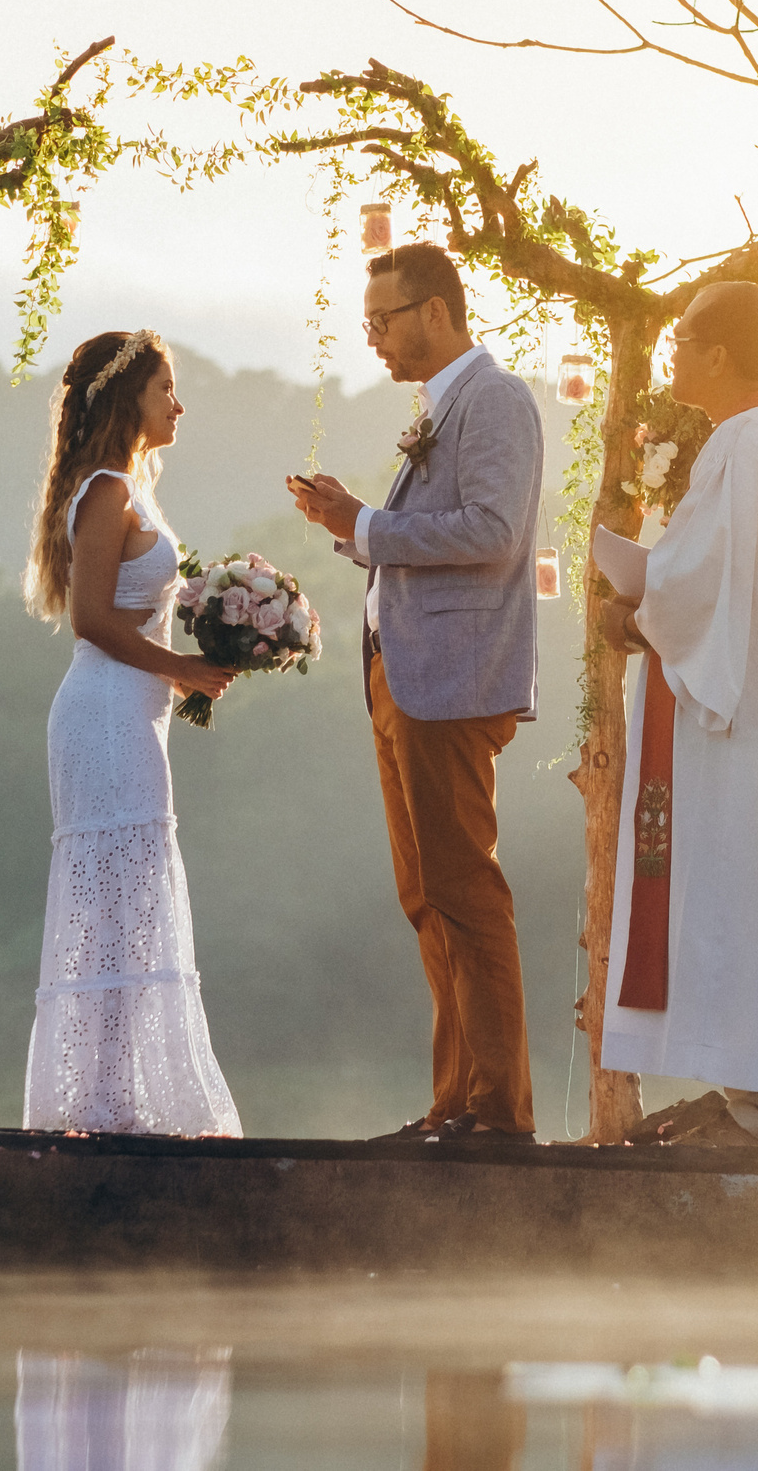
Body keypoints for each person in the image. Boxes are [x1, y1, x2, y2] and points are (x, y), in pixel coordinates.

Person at [286, 244, 546, 1144]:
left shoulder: (497, 398)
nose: (375, 340)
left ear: (436, 312)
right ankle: (455, 1101)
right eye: (368, 324)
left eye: (383, 321)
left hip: (452, 678)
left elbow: (495, 531)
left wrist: (362, 523)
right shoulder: (443, 405)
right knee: (425, 893)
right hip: (402, 676)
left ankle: (497, 1113)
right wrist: (353, 522)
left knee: (465, 891)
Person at [598, 282, 758, 1145]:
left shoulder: (745, 443)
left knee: (738, 891)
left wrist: (632, 607)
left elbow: (697, 580)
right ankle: (756, 1101)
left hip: (734, 716)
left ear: (722, 354)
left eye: (685, 336)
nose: (672, 351)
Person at [21, 329, 243, 1137]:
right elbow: (91, 621)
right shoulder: (108, 491)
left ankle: (114, 1098)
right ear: (128, 399)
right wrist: (182, 669)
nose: (178, 404)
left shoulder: (128, 490)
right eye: (165, 389)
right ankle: (103, 1105)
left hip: (130, 709)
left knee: (132, 900)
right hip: (108, 711)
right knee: (119, 897)